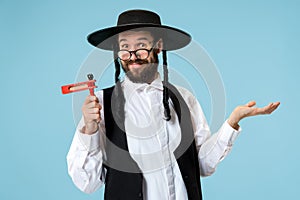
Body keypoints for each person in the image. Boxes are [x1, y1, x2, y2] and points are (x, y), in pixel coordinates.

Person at [67, 9, 280, 200]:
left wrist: (232, 123)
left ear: (158, 46)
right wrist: (90, 129)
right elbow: (88, 183)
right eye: (125, 47)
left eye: (141, 46)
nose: (133, 56)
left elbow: (202, 165)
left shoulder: (184, 99)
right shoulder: (100, 106)